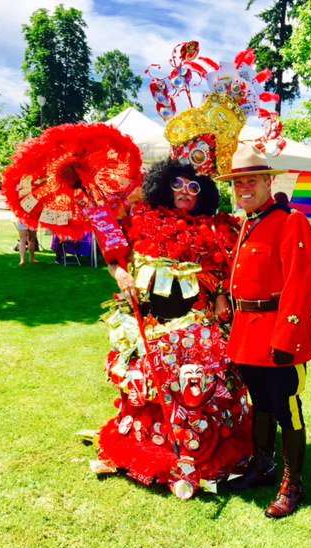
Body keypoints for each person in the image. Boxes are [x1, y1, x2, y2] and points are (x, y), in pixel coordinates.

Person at [95, 158, 253, 499]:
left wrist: (223, 294)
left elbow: (227, 267)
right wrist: (122, 275)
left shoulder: (214, 227)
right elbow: (114, 252)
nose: (185, 192)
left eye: (193, 187)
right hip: (153, 328)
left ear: (204, 193)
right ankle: (161, 451)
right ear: (163, 186)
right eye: (177, 185)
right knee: (152, 388)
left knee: (201, 389)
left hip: (199, 330)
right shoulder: (140, 219)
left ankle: (199, 452)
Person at [216, 144, 311, 518]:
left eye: (251, 180)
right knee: (259, 405)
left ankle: (294, 484)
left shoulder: (291, 221)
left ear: (268, 181)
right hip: (247, 334)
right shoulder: (249, 220)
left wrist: (285, 340)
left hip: (278, 334)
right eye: (238, 182)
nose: (244, 187)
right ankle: (263, 464)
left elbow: (302, 282)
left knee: (287, 409)